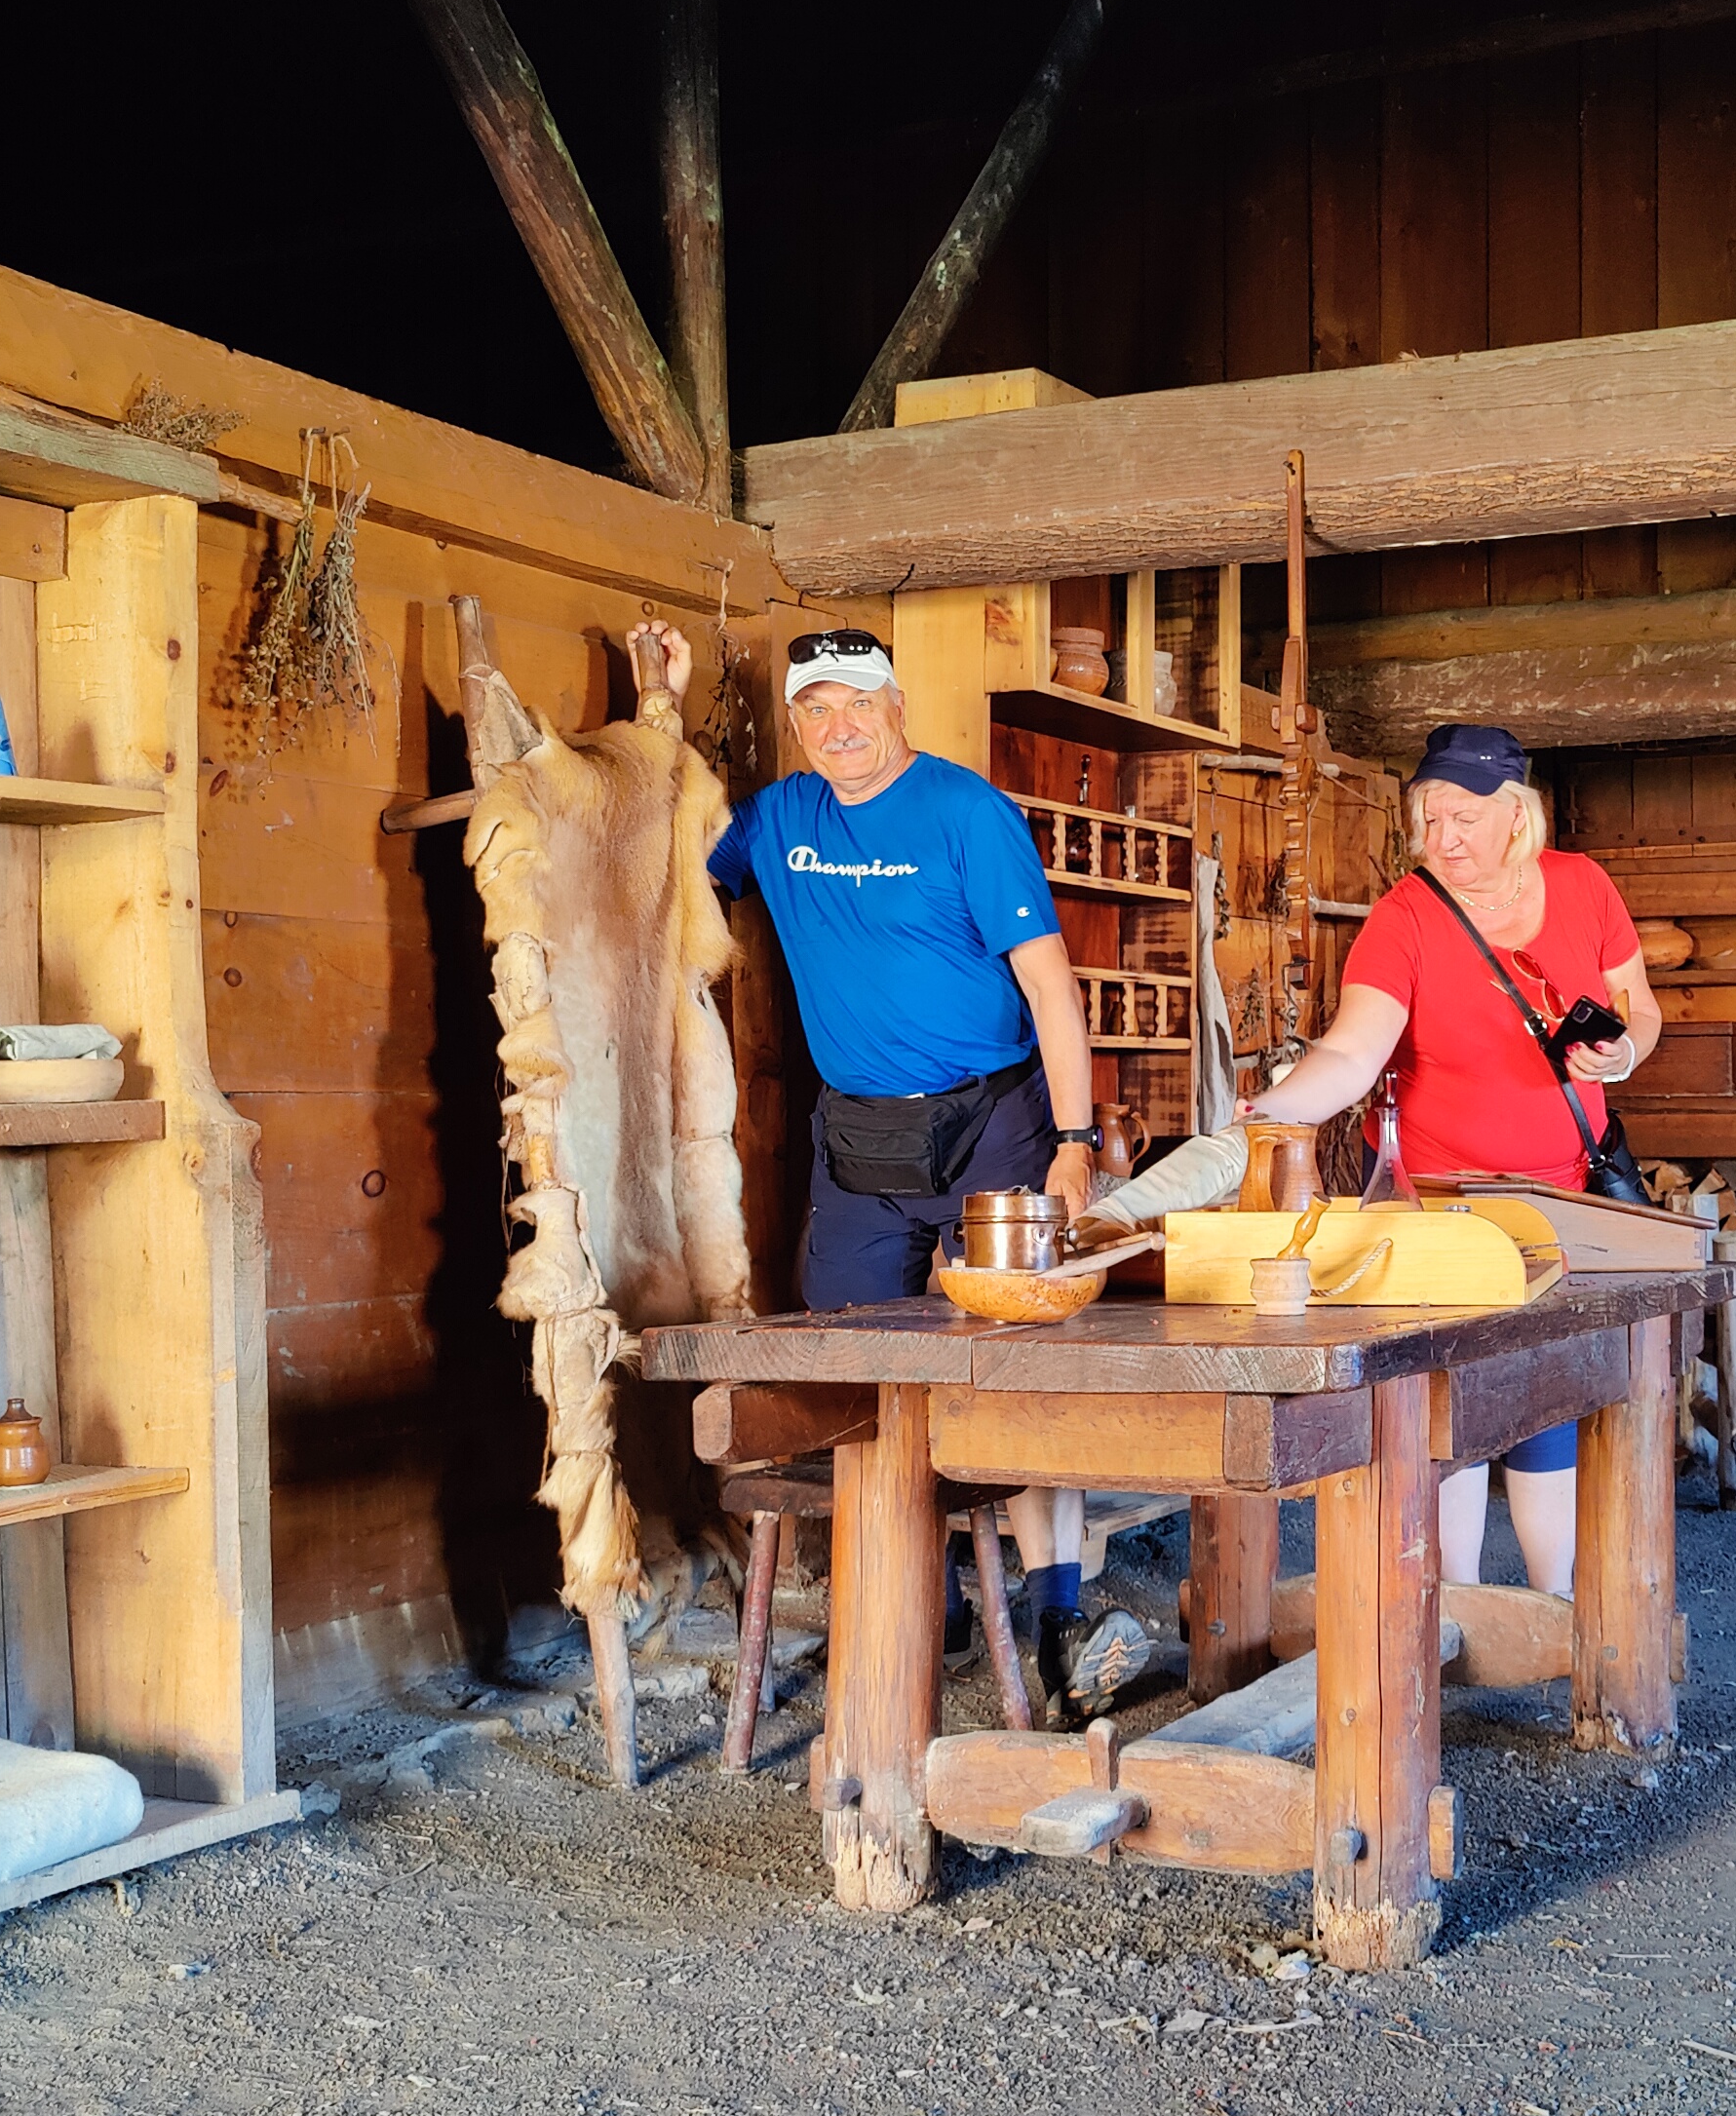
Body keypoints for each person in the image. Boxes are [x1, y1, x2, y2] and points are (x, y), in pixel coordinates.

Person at [692, 624, 1148, 1718]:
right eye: (816, 709)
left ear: (896, 707)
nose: (839, 726)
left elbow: (1050, 988)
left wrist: (1074, 1143)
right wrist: (660, 707)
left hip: (995, 1121)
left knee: (1016, 1358)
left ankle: (1058, 1612)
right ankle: (919, 1598)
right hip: (859, 1134)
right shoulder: (776, 820)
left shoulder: (965, 813)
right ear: (796, 723)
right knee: (854, 1358)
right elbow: (679, 869)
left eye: (859, 702)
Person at [1235, 722, 1662, 1594]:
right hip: (1434, 1210)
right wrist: (1270, 1113)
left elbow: (1640, 1007)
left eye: (1463, 818)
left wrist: (1622, 1053)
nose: (1442, 839)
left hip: (1561, 1200)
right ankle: (1452, 1614)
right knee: (1449, 1411)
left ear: (1517, 815)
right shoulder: (1404, 917)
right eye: (1428, 819)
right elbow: (1353, 1052)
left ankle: (1555, 1609)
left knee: (1544, 1402)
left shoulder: (1583, 886)